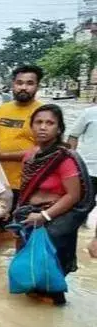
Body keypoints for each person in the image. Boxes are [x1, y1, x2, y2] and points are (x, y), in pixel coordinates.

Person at [8, 104, 95, 305]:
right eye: (38, 122)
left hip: (53, 221)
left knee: (49, 275)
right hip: (30, 219)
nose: (43, 127)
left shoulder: (65, 159)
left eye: (50, 123)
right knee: (29, 272)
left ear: (59, 129)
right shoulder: (31, 155)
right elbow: (26, 190)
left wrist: (44, 216)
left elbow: (73, 196)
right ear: (31, 127)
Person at [0, 65, 44, 251]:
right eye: (19, 83)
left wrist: (6, 156)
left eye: (29, 83)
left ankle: (20, 271)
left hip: (29, 183)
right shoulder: (2, 109)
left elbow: (46, 149)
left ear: (37, 86)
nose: (23, 87)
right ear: (13, 84)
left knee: (23, 227)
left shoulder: (44, 112)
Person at [67, 100, 97, 257]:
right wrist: (71, 160)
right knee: (83, 207)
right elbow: (73, 135)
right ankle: (78, 234)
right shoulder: (89, 113)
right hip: (89, 169)